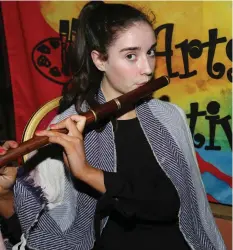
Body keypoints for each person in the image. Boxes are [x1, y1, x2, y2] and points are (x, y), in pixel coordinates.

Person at [0, 1, 226, 250]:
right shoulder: (68, 126)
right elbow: (38, 229)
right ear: (99, 60)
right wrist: (5, 194)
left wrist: (86, 172)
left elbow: (168, 204)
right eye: (131, 56)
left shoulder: (169, 117)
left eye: (150, 52)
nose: (148, 69)